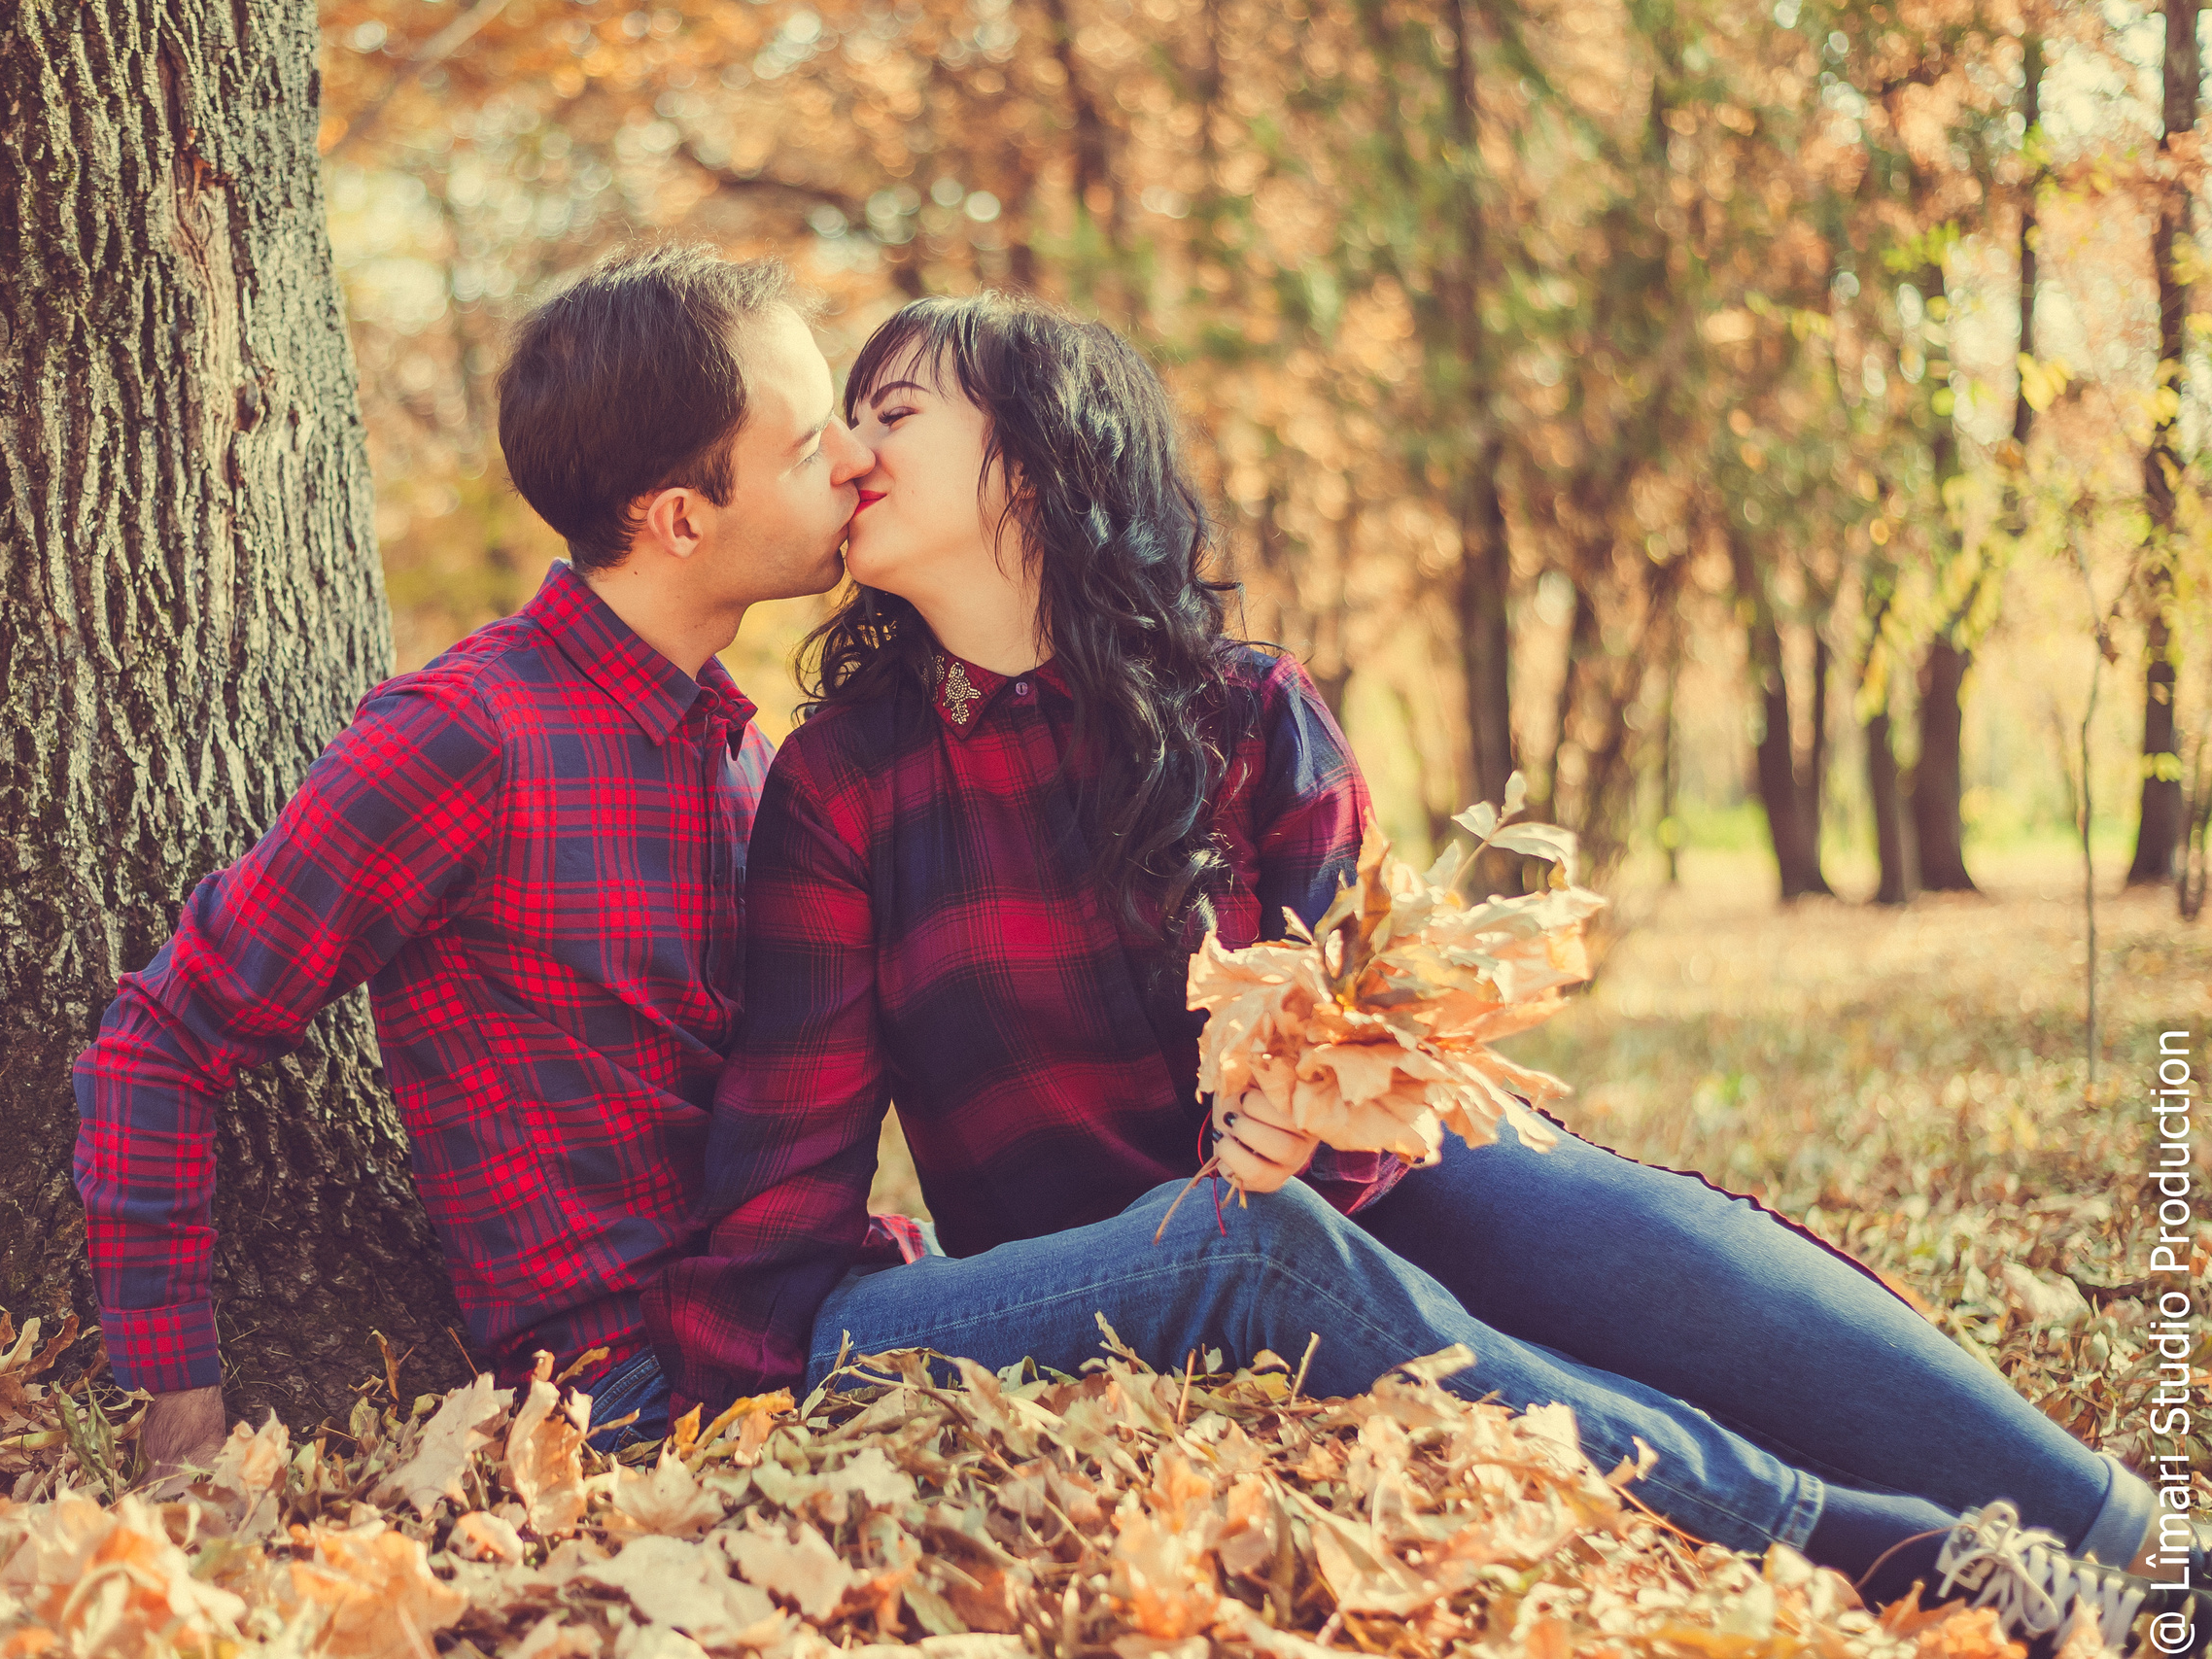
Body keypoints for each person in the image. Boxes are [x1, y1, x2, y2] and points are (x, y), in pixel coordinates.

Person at [643, 291, 2205, 1655]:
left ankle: (2149, 1544)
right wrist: (742, 1365)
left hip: (1339, 1188)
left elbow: (1379, 1033)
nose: (847, 447)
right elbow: (787, 1171)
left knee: (1636, 1225)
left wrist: (1310, 1109)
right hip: (1111, 1263)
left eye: (891, 410)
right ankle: (1929, 1563)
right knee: (1269, 1248)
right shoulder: (846, 778)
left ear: (1037, 460)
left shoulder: (1243, 709)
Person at [73, 245, 872, 1483]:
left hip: (788, 1311)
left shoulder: (734, 743)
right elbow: (162, 1040)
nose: (852, 464)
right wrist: (177, 1401)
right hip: (637, 1382)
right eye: (810, 443)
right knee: (1246, 1266)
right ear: (679, 518)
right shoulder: (468, 735)